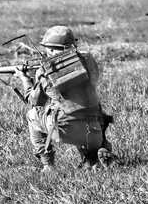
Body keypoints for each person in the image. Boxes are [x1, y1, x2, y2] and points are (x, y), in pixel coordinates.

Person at [14, 26, 113, 171]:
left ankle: (48, 165)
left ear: (52, 50)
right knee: (83, 109)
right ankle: (95, 156)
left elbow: (34, 103)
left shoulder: (45, 70)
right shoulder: (88, 60)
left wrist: (25, 79)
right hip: (95, 129)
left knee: (32, 115)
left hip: (63, 130)